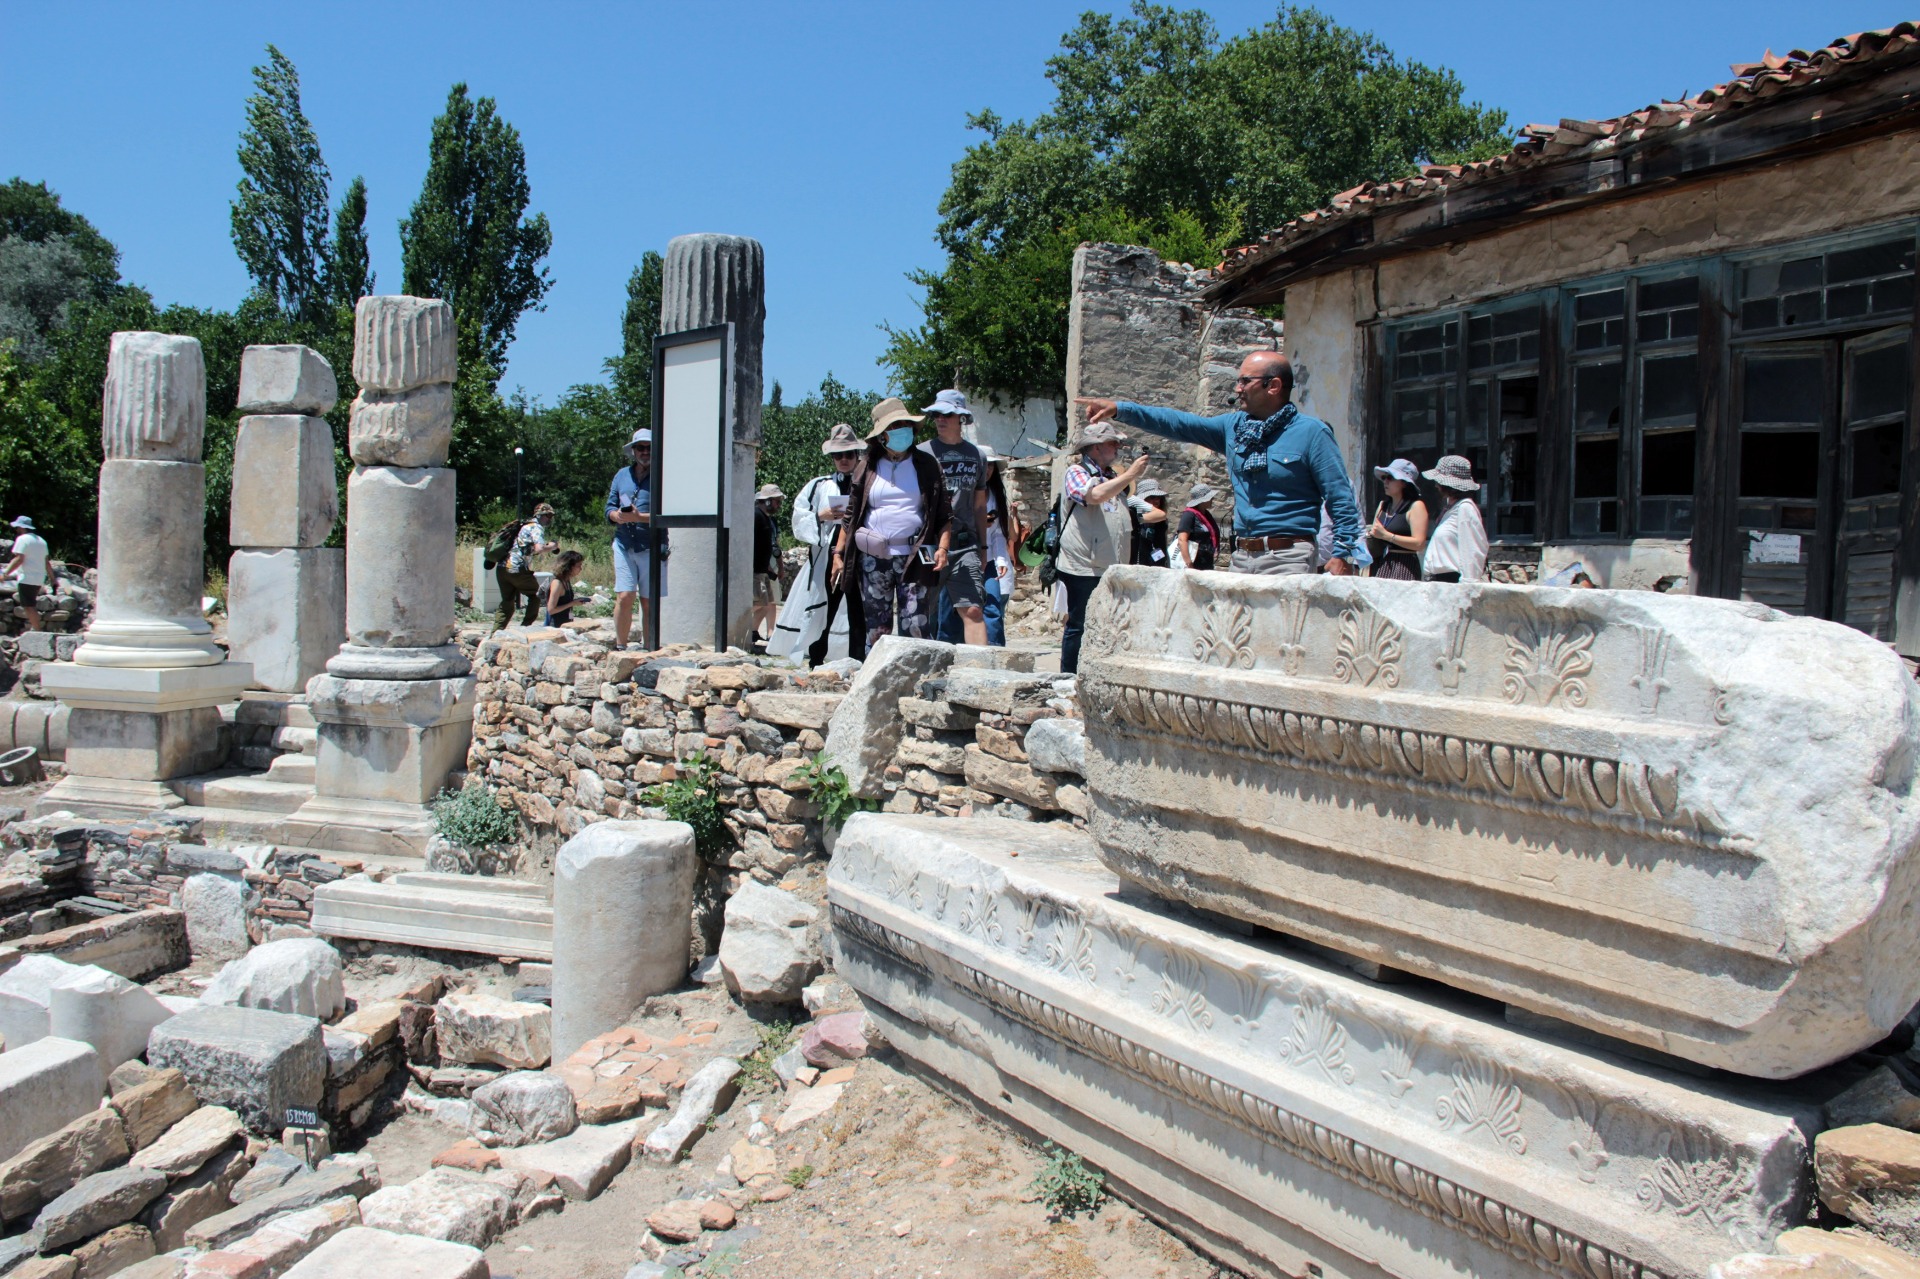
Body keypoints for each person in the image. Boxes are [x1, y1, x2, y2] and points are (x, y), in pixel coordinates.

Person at [1075, 350, 1361, 576]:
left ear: (1273, 385)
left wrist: (1343, 553)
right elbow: (1179, 424)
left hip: (1290, 556)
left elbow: (1339, 496)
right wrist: (1121, 409)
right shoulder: (1234, 428)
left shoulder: (1311, 433)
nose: (1237, 388)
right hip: (1242, 556)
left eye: (1245, 381)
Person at [834, 398, 953, 647]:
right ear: (882, 436)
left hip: (917, 555)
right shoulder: (866, 467)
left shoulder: (927, 465)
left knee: (916, 626)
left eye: (905, 424)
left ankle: (918, 681)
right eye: (894, 426)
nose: (902, 430)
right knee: (877, 629)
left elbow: (943, 514)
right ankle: (877, 681)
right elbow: (851, 515)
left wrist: (942, 549)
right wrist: (839, 552)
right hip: (874, 556)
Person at [769, 423, 867, 665]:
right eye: (838, 455)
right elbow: (798, 517)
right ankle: (816, 660)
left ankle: (857, 661)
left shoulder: (868, 482)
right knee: (823, 607)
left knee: (859, 610)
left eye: (848, 454)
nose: (843, 460)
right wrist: (820, 516)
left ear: (857, 455)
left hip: (860, 552)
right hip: (826, 554)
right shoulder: (819, 485)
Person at [1058, 422, 1148, 675]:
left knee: (1107, 624)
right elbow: (1093, 496)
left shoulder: (1110, 477)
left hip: (1108, 566)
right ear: (1096, 446)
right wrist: (1129, 475)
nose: (1117, 448)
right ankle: (1069, 677)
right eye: (1112, 443)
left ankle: (1095, 674)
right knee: (1080, 624)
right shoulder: (1076, 472)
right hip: (1084, 566)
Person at [918, 390, 990, 647]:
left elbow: (979, 506)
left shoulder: (977, 456)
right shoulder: (920, 454)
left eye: (947, 414)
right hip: (927, 545)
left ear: (960, 417)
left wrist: (983, 547)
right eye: (936, 414)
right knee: (921, 613)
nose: (940, 419)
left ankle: (979, 674)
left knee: (972, 610)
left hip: (965, 543)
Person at [606, 427, 669, 648]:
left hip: (652, 545)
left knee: (649, 602)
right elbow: (609, 508)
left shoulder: (663, 476)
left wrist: (638, 517)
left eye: (649, 448)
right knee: (625, 596)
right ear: (633, 451)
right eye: (640, 447)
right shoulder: (622, 475)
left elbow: (668, 515)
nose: (645, 452)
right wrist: (616, 516)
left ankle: (650, 648)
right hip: (624, 543)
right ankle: (621, 647)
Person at [1421, 455, 1489, 583]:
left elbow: (1472, 550)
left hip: (1452, 581)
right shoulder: (1450, 509)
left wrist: (1467, 587)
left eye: (1438, 482)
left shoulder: (1465, 509)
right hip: (1438, 582)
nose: (1436, 485)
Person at [980, 449, 1023, 647]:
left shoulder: (995, 496)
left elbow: (998, 534)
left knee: (993, 608)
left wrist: (1001, 559)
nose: (987, 469)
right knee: (952, 612)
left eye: (990, 465)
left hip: (988, 560)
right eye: (983, 464)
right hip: (963, 559)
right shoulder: (962, 493)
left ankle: (996, 653)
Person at [494, 502, 558, 630]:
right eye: (547, 515)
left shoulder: (523, 526)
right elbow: (539, 548)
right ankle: (525, 628)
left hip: (502, 568)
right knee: (536, 595)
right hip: (516, 568)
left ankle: (496, 633)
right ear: (539, 515)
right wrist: (553, 546)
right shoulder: (536, 527)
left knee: (507, 602)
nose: (549, 519)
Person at [1367, 458, 1431, 581]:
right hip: (1381, 563)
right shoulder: (1383, 506)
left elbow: (1419, 543)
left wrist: (1387, 536)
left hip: (1405, 565)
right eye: (1384, 478)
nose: (1385, 481)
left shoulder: (1415, 506)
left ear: (1404, 483)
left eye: (1390, 477)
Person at [752, 484, 784, 648]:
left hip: (764, 569)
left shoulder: (768, 519)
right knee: (758, 603)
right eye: (777, 502)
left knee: (767, 604)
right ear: (768, 501)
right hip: (755, 570)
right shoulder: (756, 516)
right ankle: (747, 629)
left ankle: (752, 631)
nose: (779, 506)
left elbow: (770, 546)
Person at [4, 516, 48, 633]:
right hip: (39, 578)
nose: (17, 529)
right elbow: (46, 562)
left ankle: (37, 630)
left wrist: (5, 573)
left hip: (27, 577)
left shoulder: (22, 539)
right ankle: (36, 628)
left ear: (21, 527)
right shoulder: (41, 541)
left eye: (18, 527)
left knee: (29, 606)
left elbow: (19, 559)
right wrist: (53, 579)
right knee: (30, 604)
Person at [1129, 478, 1172, 567]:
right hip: (1139, 564)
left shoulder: (1161, 521)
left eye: (1159, 497)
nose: (1156, 500)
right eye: (1152, 497)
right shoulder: (1134, 516)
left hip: (1159, 564)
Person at [1177, 485, 1221, 571]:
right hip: (1195, 562)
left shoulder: (1206, 514)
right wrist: (1189, 564)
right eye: (1210, 497)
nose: (1212, 499)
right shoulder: (1189, 515)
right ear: (1202, 500)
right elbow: (1182, 539)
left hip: (1206, 561)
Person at [545, 550, 585, 627]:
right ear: (570, 566)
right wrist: (572, 603)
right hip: (555, 626)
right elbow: (551, 610)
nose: (581, 569)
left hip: (566, 623)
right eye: (578, 566)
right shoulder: (557, 583)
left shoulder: (566, 581)